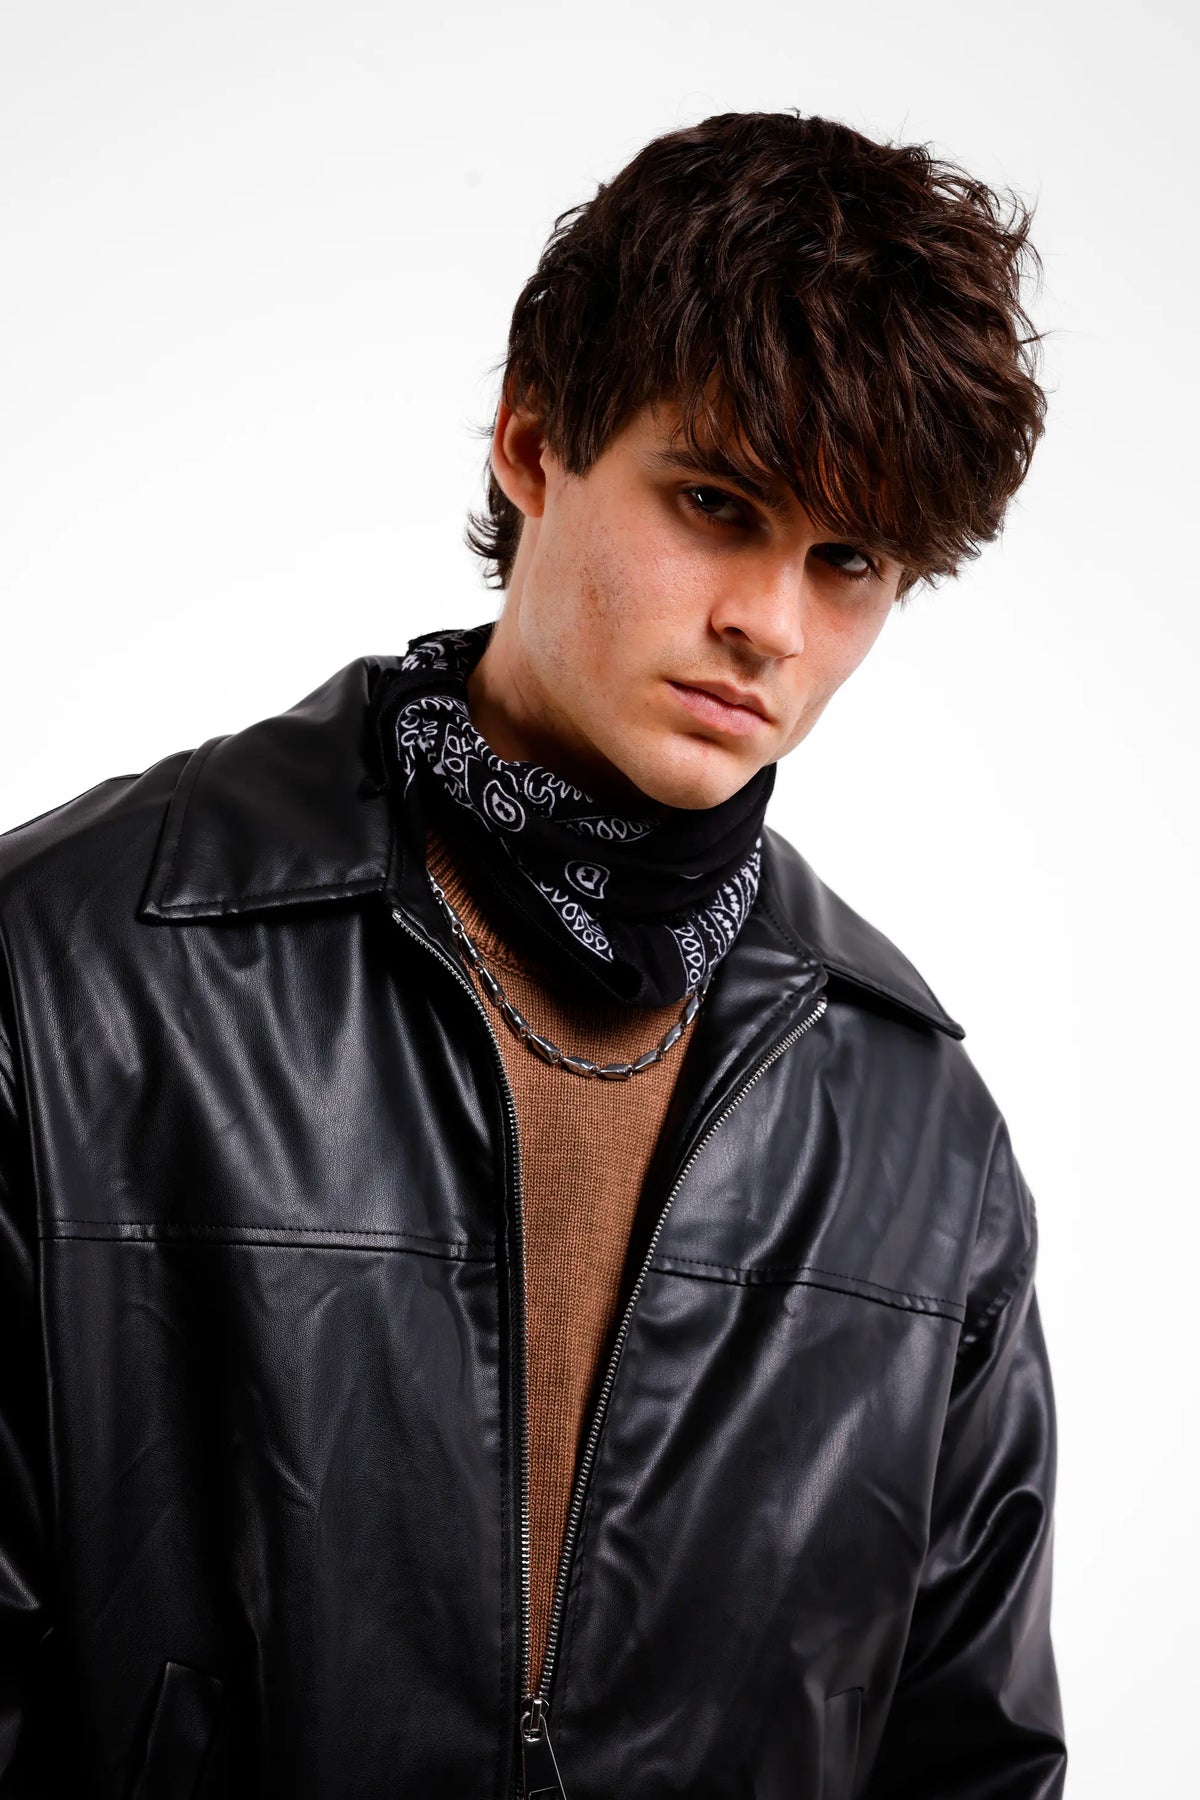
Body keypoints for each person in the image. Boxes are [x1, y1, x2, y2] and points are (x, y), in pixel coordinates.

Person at [0, 109, 1067, 1798]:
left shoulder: (921, 1134)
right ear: (533, 441)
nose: (772, 625)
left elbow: (966, 1761)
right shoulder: (72, 974)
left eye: (850, 562)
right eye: (716, 504)